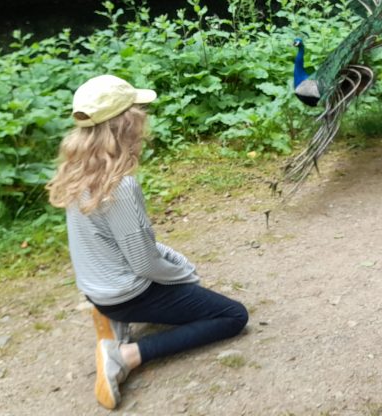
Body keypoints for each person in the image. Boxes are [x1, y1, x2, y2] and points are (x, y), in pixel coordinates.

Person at [46, 75, 248, 410]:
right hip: (127, 295)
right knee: (232, 315)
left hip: (97, 290)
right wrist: (184, 275)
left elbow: (126, 245)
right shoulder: (120, 187)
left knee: (178, 282)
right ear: (127, 125)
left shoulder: (77, 172)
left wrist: (173, 260)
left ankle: (112, 320)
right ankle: (126, 355)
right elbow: (144, 263)